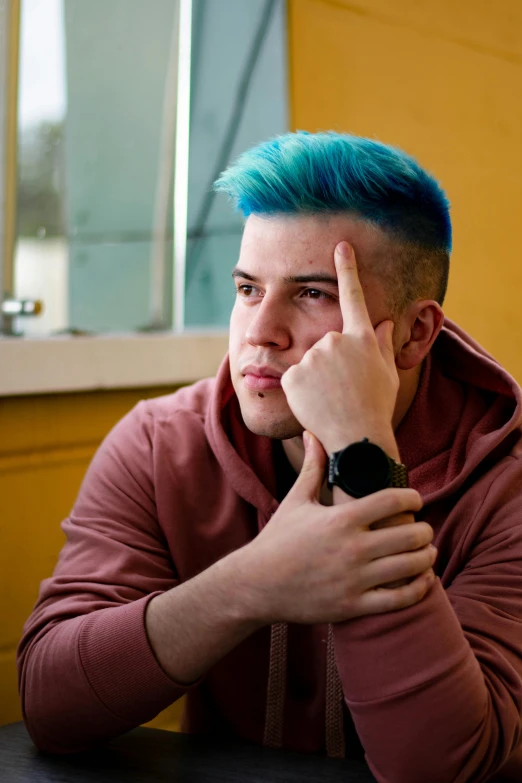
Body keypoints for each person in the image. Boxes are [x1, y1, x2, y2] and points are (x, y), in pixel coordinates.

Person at [18, 132, 522, 783]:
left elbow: (440, 766)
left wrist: (361, 453)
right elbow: (51, 705)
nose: (259, 331)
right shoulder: (157, 443)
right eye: (249, 288)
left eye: (312, 293)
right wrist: (251, 583)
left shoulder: (507, 483)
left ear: (416, 333)